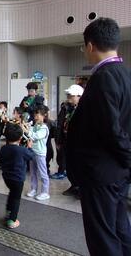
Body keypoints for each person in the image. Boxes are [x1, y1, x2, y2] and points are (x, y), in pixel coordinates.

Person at [67, 18, 131, 256]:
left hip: (101, 172)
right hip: (118, 172)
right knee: (120, 229)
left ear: (90, 46)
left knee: (102, 237)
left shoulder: (103, 77)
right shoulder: (126, 75)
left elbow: (110, 130)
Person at [0, 123, 34, 229]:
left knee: (12, 194)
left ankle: (8, 213)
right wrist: (29, 147)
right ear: (20, 138)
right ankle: (12, 220)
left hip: (6, 177)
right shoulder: (22, 150)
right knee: (16, 199)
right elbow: (31, 156)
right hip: (18, 179)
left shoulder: (3, 148)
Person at [52, 85, 84, 199]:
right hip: (67, 140)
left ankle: (81, 188)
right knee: (69, 166)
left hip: (79, 143)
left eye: (71, 95)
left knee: (78, 166)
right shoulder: (68, 108)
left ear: (79, 96)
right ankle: (74, 185)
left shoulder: (85, 109)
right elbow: (62, 124)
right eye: (68, 95)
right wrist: (59, 139)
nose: (68, 97)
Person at [23, 105, 50, 201]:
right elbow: (30, 137)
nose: (35, 117)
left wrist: (27, 130)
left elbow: (36, 136)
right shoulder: (36, 126)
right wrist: (26, 128)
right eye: (35, 115)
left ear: (44, 115)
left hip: (40, 154)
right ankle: (33, 189)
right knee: (33, 173)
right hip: (33, 152)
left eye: (37, 115)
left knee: (43, 174)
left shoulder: (44, 128)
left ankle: (45, 192)